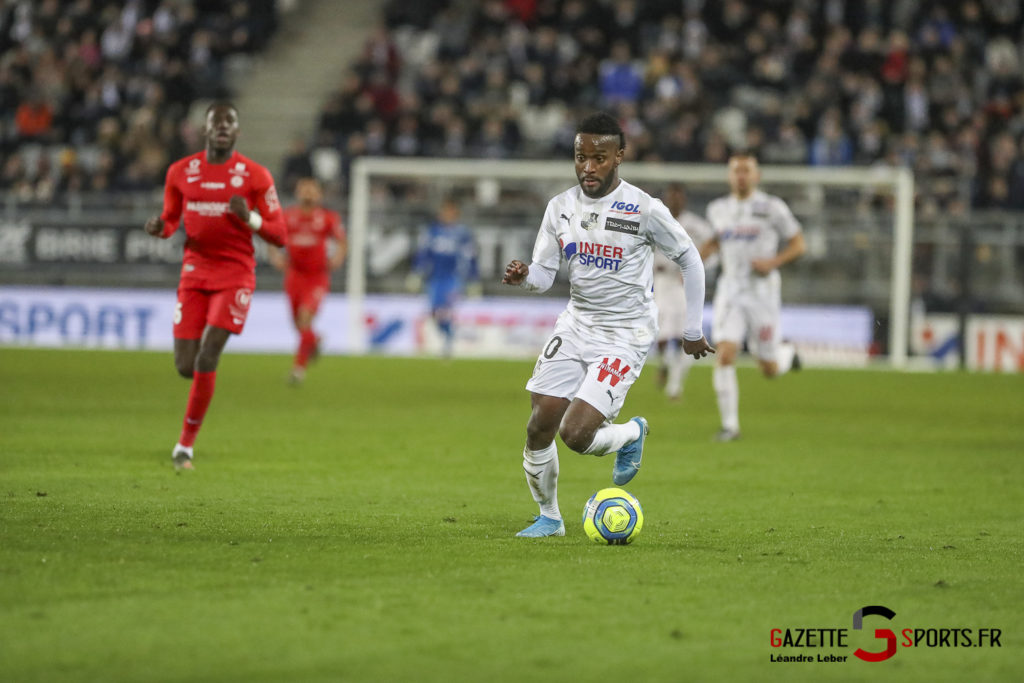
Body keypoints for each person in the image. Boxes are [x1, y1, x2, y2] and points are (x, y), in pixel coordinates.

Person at [501, 112, 714, 538]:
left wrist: (692, 329)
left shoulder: (644, 209)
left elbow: (690, 257)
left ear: (619, 156)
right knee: (540, 422)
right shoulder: (559, 208)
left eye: (599, 158)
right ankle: (549, 518)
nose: (588, 167)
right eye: (581, 157)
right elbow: (544, 275)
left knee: (576, 435)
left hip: (625, 333)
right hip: (577, 323)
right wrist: (525, 277)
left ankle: (631, 433)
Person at [144, 101, 286, 470]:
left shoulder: (255, 175)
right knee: (185, 366)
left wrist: (250, 217)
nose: (223, 127)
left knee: (209, 355)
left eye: (230, 122)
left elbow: (280, 234)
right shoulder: (180, 171)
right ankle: (202, 392)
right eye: (216, 122)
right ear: (205, 129)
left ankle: (184, 447)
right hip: (194, 272)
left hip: (235, 273)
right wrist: (162, 228)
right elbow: (172, 218)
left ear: (237, 132)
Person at [700, 152, 806, 442]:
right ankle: (730, 427)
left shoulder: (772, 207)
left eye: (746, 170)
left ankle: (788, 355)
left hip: (762, 294)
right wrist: (695, 260)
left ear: (756, 175)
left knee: (768, 368)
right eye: (736, 171)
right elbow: (714, 242)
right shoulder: (718, 209)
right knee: (724, 353)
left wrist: (773, 262)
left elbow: (799, 244)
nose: (741, 176)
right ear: (729, 175)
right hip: (730, 292)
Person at [268, 177, 346, 384]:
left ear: (319, 195)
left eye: (312, 190)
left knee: (305, 318)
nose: (308, 194)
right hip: (294, 275)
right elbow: (273, 237)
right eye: (305, 190)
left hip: (317, 277)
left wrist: (338, 257)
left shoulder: (328, 218)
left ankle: (298, 370)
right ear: (297, 193)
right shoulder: (288, 216)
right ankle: (315, 340)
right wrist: (275, 256)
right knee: (298, 325)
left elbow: (341, 242)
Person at [653, 183, 715, 401]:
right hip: (660, 282)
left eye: (678, 196)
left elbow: (712, 246)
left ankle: (675, 386)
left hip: (683, 284)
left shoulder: (696, 225)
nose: (674, 201)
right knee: (661, 337)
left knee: (683, 336)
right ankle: (664, 364)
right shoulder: (656, 220)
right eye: (671, 196)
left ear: (684, 199)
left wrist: (697, 269)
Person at [409, 197, 480, 357]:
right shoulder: (432, 231)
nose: (446, 215)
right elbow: (423, 254)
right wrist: (416, 273)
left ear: (455, 214)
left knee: (445, 311)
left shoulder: (462, 234)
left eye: (450, 212)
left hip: (454, 278)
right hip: (435, 278)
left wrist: (473, 280)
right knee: (434, 312)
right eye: (444, 212)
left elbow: (471, 257)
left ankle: (449, 342)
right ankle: (448, 335)